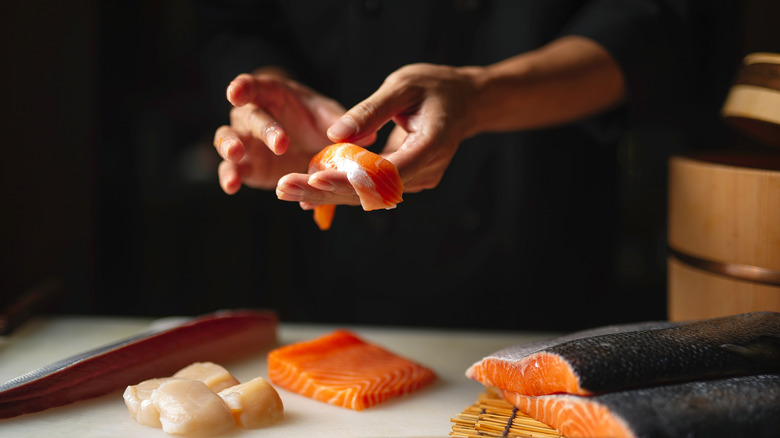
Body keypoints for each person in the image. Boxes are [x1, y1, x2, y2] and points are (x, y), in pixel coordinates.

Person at [198, 0, 739, 330]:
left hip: (538, 245)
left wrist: (479, 96)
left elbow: (654, 22)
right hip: (342, 277)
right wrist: (270, 107)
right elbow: (235, 19)